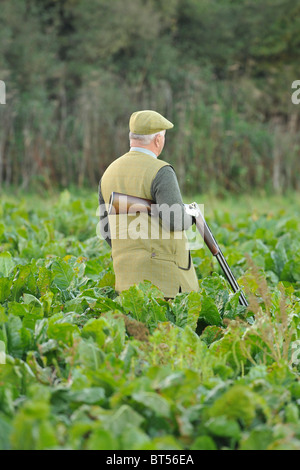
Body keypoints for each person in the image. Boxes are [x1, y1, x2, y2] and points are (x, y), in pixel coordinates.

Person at [98, 110, 199, 298]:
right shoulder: (161, 171)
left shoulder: (109, 172)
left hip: (126, 282)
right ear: (158, 139)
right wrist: (192, 215)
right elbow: (176, 221)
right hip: (164, 283)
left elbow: (106, 230)